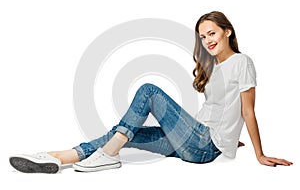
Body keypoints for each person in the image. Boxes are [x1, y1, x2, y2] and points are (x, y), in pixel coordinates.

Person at [9, 11, 293, 174]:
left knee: (149, 91)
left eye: (212, 33)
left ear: (227, 32)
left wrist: (259, 153)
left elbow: (247, 110)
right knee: (124, 135)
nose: (207, 40)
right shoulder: (215, 68)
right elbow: (223, 109)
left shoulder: (241, 62)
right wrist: (230, 140)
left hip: (202, 143)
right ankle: (57, 157)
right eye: (202, 36)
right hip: (194, 142)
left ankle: (107, 156)